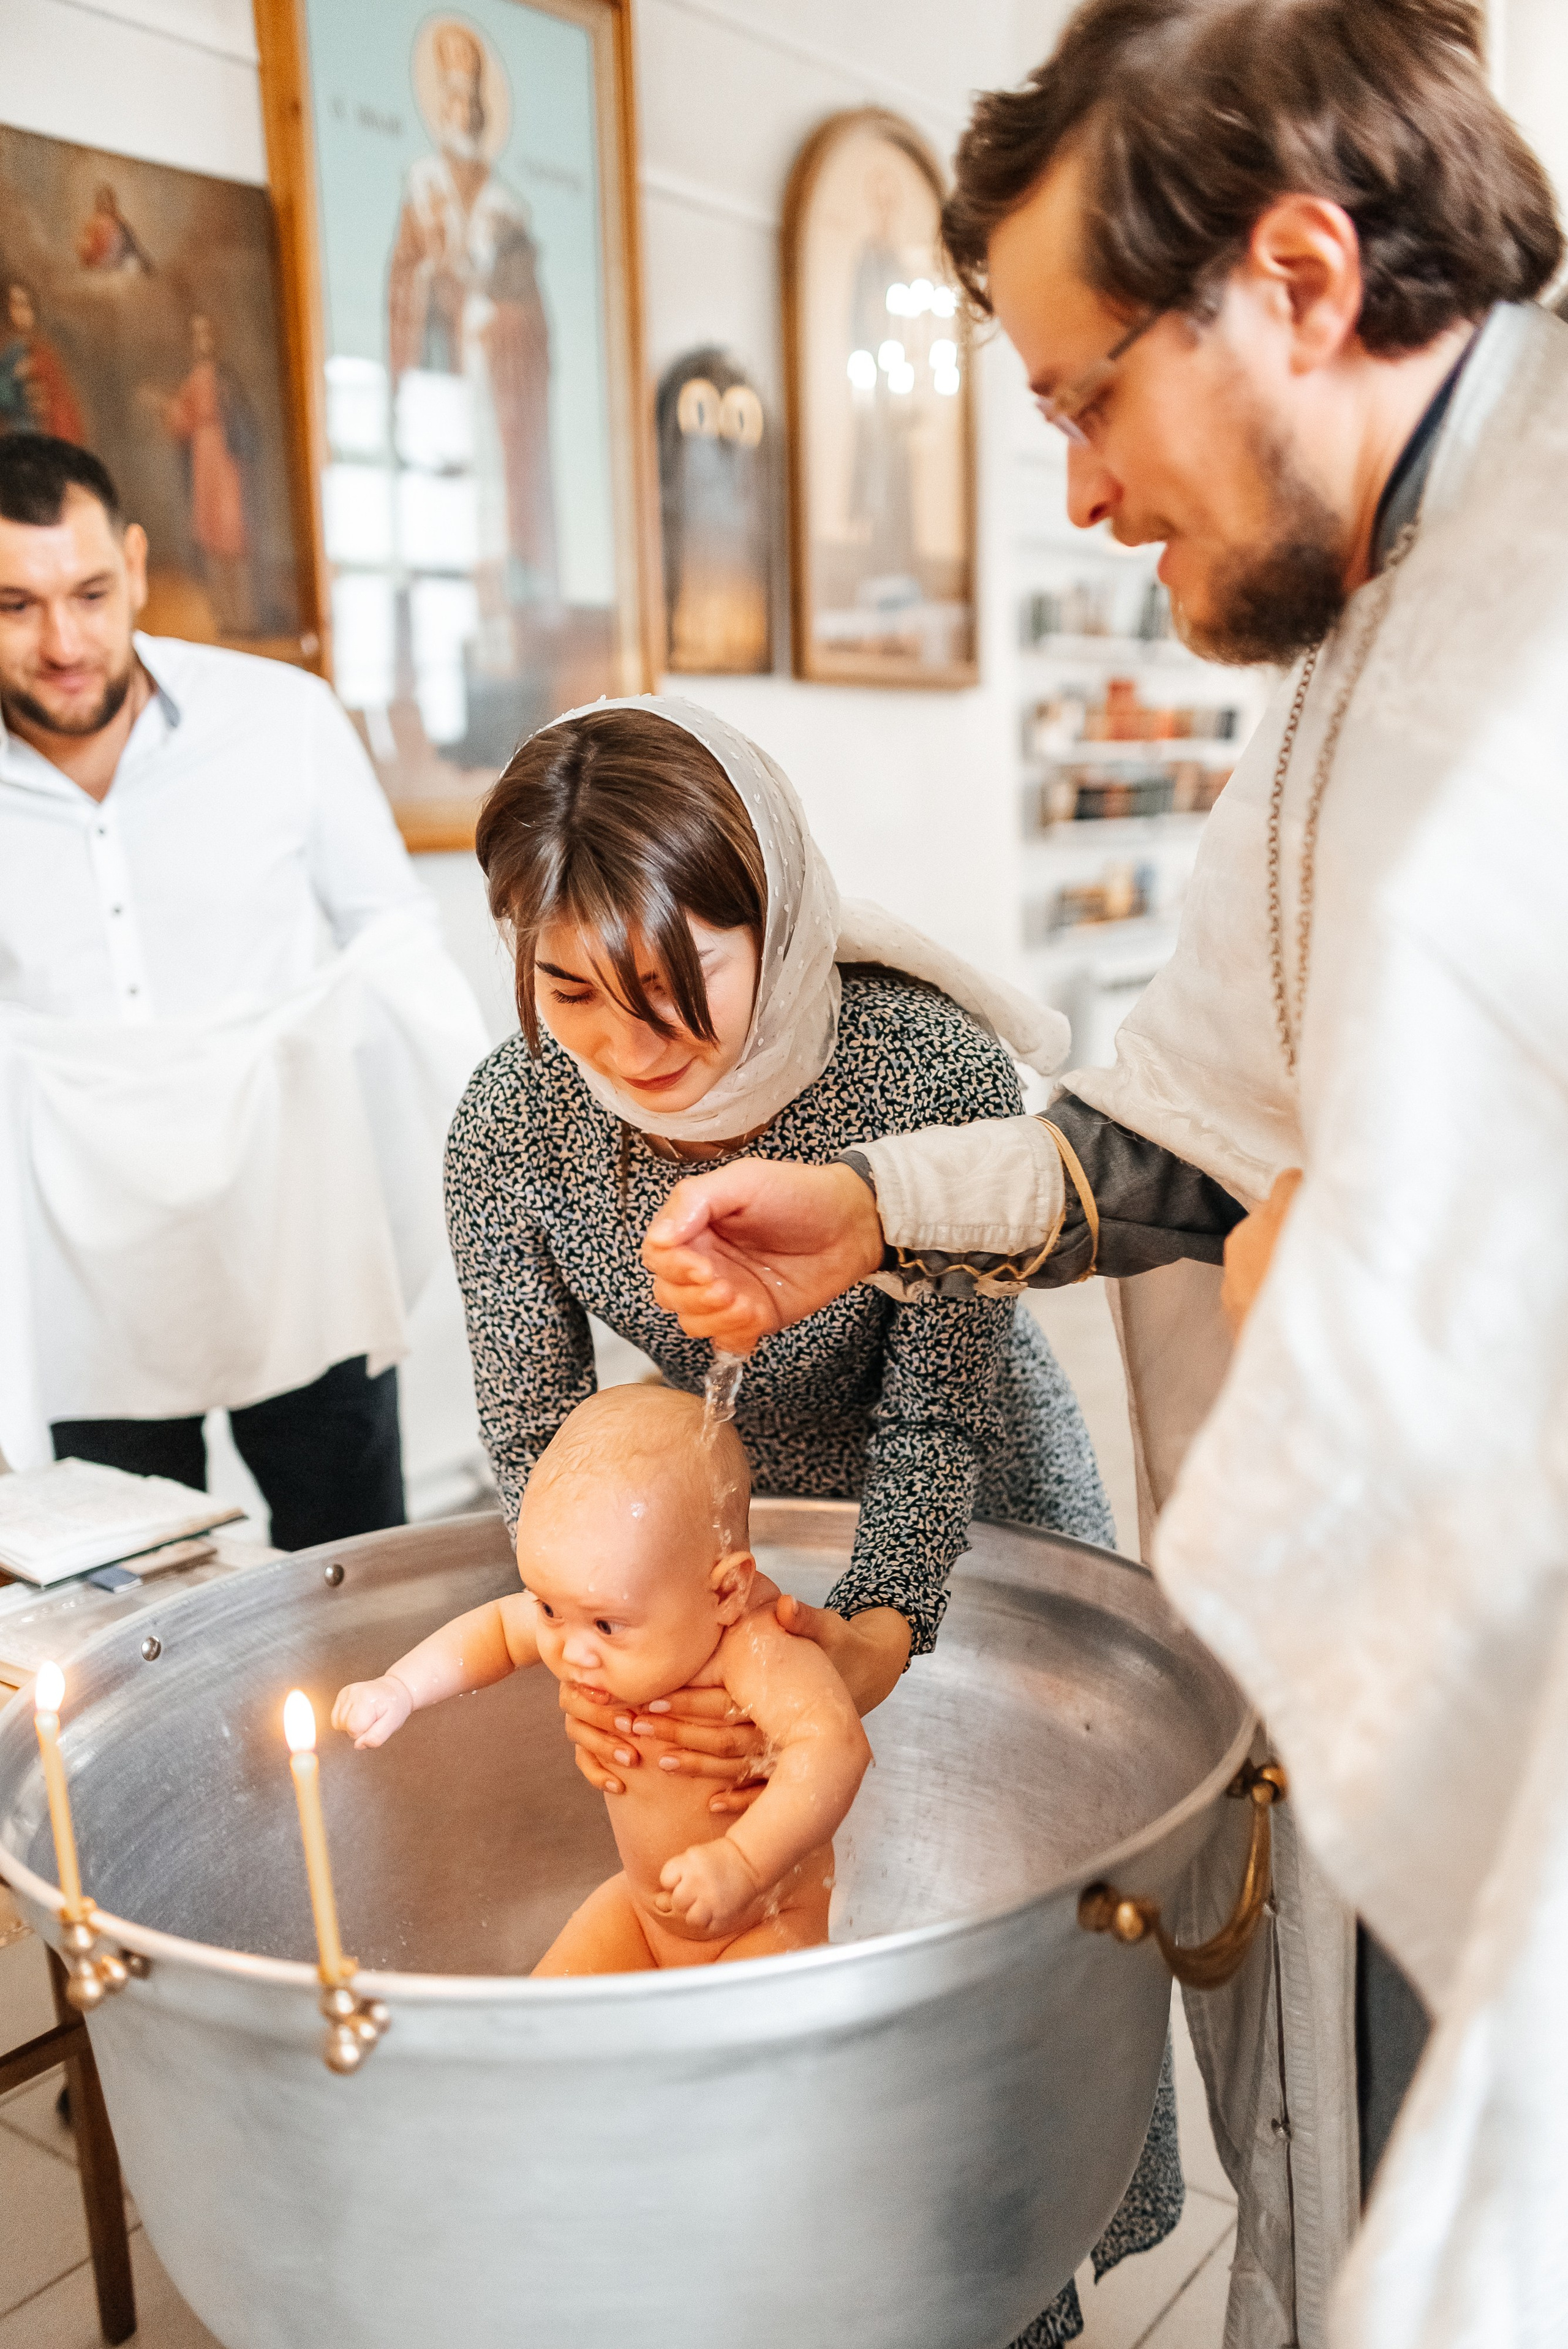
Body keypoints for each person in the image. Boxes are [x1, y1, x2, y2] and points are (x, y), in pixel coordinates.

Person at [638, 5, 1568, 2345]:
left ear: (1292, 279)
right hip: (1405, 1671)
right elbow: (1184, 1129)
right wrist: (868, 1209)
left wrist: (1368, 1305)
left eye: (1078, 398)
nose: (1072, 487)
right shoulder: (1379, 616)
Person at [443, 692, 1180, 2339]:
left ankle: (1014, 2279)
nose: (629, 1046)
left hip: (967, 1498)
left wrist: (876, 1628)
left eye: (670, 984)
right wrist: (586, 1640)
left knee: (984, 1952)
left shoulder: (916, 1060)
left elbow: (934, 1402)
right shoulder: (514, 1122)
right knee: (756, 1958)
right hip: (700, 1539)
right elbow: (530, 1429)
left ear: (767, 923)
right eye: (569, 989)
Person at [0, 432, 487, 1546]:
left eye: (88, 591)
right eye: (14, 606)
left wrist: (482, 1139)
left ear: (134, 561)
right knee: (120, 1595)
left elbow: (393, 941)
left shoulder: (283, 720)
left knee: (353, 1563)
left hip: (293, 1231)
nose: (64, 640)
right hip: (84, 1273)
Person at [333, 1384, 872, 1971]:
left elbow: (834, 1747)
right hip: (644, 1914)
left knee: (736, 2053)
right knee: (541, 2021)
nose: (571, 1650)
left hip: (765, 1920)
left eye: (608, 1625)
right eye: (549, 1610)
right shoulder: (581, 1610)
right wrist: (400, 1688)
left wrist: (743, 1862)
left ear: (724, 1590)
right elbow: (493, 1629)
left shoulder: (754, 1645)